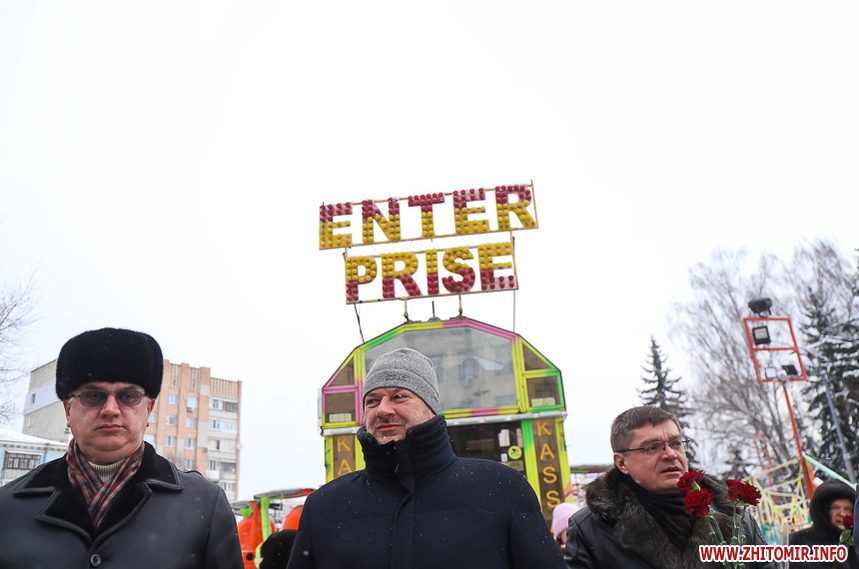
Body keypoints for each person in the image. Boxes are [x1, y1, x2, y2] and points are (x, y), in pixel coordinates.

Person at [287, 347, 566, 569]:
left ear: (430, 407)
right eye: (372, 401)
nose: (382, 409)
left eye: (399, 396)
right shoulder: (323, 506)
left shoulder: (503, 488)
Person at [0, 327, 243, 568]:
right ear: (68, 410)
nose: (110, 409)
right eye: (94, 396)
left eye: (127, 397)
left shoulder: (205, 505)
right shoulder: (7, 507)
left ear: (148, 410)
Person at [565, 406, 777, 568]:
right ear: (622, 463)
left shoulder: (733, 514)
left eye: (676, 443)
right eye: (652, 447)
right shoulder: (590, 529)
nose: (670, 454)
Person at [791, 478, 858, 569]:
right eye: (835, 508)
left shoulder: (855, 542)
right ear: (823, 511)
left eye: (848, 509)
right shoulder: (800, 542)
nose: (842, 514)